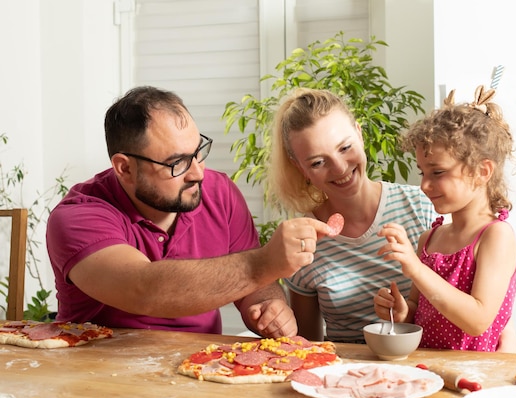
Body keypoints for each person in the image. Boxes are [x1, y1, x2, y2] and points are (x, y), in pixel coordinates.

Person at [46, 86, 333, 338]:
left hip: (196, 370)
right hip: (98, 380)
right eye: (177, 163)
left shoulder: (219, 192)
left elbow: (256, 287)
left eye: (198, 152)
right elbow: (142, 288)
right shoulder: (78, 216)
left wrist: (270, 307)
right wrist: (264, 263)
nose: (197, 172)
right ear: (125, 168)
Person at [266, 88, 437, 343]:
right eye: (317, 162)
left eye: (345, 147)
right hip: (342, 377)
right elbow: (307, 344)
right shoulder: (304, 242)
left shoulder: (422, 206)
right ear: (300, 168)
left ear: (359, 133)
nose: (340, 167)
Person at [374, 85, 516, 352]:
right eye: (422, 173)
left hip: (476, 376)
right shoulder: (429, 239)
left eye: (437, 172)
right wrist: (403, 311)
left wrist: (416, 269)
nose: (424, 185)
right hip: (428, 369)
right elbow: (421, 311)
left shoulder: (496, 236)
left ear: (482, 171)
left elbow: (477, 320)